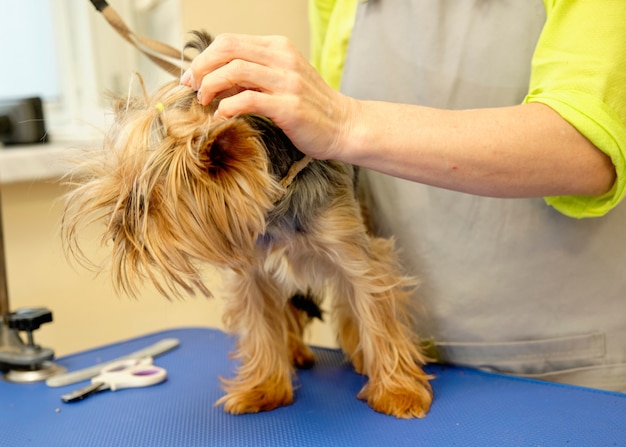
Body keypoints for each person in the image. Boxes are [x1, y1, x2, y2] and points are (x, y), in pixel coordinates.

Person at [181, 1, 626, 392]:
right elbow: (334, 153)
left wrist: (343, 120)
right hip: (386, 351)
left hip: (567, 369)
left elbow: (586, 151)